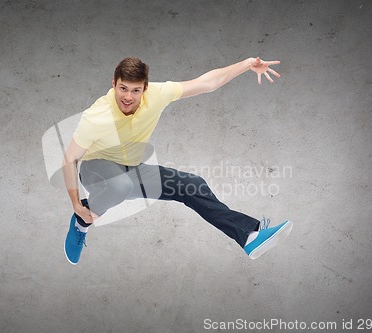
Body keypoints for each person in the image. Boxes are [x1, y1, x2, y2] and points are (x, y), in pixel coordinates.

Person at [62, 56, 292, 265]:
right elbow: (70, 158)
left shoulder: (157, 94)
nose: (128, 97)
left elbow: (207, 83)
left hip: (132, 169)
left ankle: (249, 235)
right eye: (123, 89)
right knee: (120, 185)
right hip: (96, 169)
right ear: (113, 84)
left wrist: (248, 63)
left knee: (193, 184)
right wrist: (75, 203)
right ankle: (82, 221)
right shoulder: (97, 115)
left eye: (135, 90)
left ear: (145, 89)